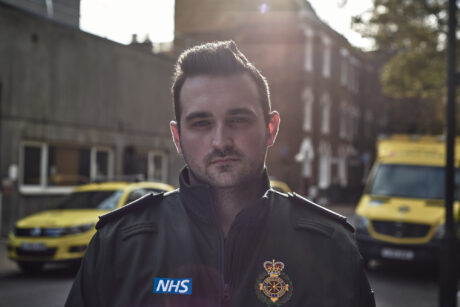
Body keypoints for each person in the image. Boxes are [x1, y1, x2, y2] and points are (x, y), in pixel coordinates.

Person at [65, 40, 375, 307]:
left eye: (238, 120)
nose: (221, 141)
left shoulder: (330, 246)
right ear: (177, 137)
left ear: (271, 129)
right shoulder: (120, 245)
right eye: (201, 123)